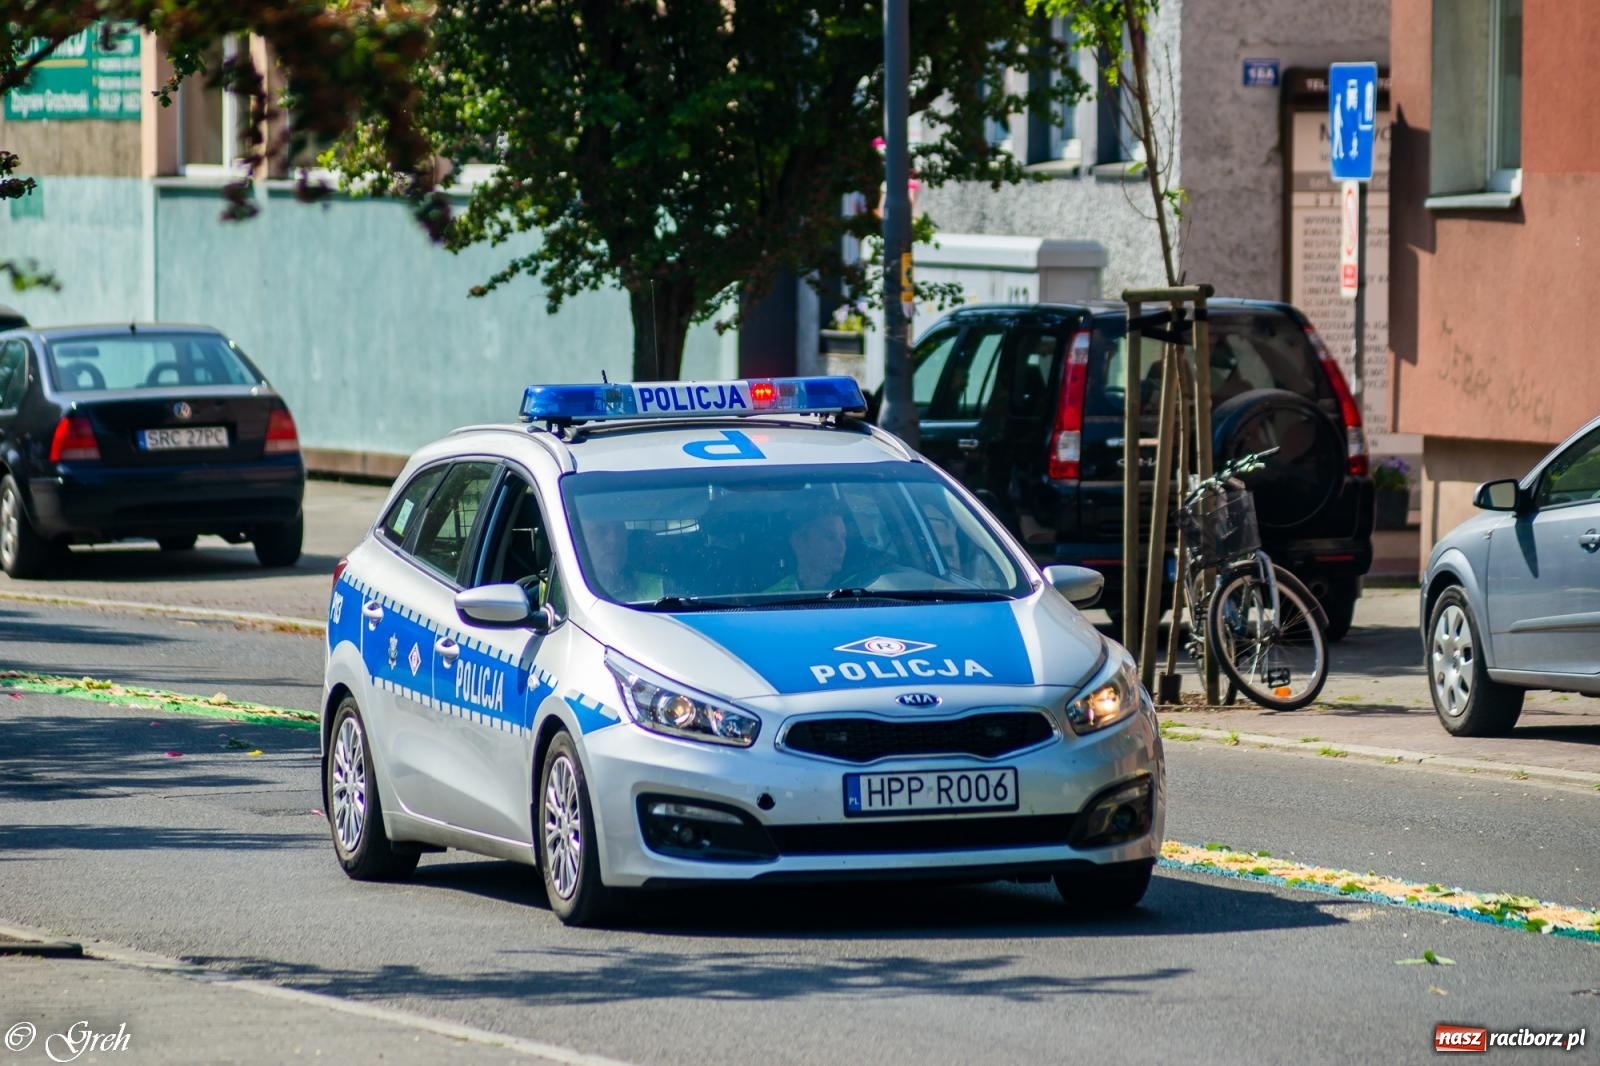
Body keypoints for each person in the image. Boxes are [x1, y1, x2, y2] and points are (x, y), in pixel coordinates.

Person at [766, 505, 859, 593]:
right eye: (830, 537)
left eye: (843, 537)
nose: (841, 547)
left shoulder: (859, 585)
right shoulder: (773, 598)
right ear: (799, 542)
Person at [585, 519, 665, 602]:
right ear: (581, 542)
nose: (614, 540)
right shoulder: (572, 594)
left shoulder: (661, 585)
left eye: (619, 531)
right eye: (600, 532)